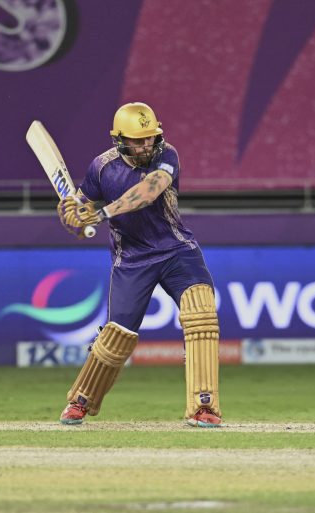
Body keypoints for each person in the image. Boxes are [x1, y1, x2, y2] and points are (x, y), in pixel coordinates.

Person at [56, 102, 222, 428]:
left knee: (201, 315)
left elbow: (149, 191)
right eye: (138, 140)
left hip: (177, 251)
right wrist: (72, 216)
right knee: (116, 337)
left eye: (150, 138)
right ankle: (80, 401)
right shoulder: (101, 167)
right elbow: (79, 205)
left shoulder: (167, 155)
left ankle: (204, 406)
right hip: (131, 259)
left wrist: (101, 214)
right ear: (119, 139)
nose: (146, 145)